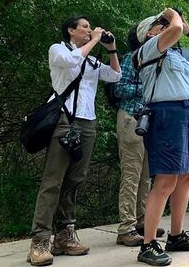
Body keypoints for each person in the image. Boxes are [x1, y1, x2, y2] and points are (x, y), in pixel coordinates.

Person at [28, 16, 121, 267]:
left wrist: (110, 48)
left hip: (87, 122)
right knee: (53, 181)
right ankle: (39, 241)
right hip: (63, 120)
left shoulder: (91, 58)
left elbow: (114, 75)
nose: (90, 31)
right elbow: (70, 60)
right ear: (71, 31)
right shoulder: (58, 49)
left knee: (75, 180)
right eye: (85, 28)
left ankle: (65, 235)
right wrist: (94, 41)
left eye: (91, 28)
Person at [134, 8, 189, 266]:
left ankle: (176, 235)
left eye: (165, 22)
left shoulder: (175, 54)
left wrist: (187, 28)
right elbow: (174, 30)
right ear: (148, 33)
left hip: (187, 113)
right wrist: (173, 15)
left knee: (185, 176)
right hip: (166, 113)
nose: (166, 25)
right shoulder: (150, 48)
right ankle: (147, 244)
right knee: (165, 179)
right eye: (159, 23)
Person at [114, 26, 164, 247]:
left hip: (148, 121)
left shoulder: (156, 60)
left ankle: (143, 221)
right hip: (131, 118)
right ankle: (126, 228)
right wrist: (146, 87)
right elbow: (119, 89)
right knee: (131, 174)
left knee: (146, 176)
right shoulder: (130, 58)